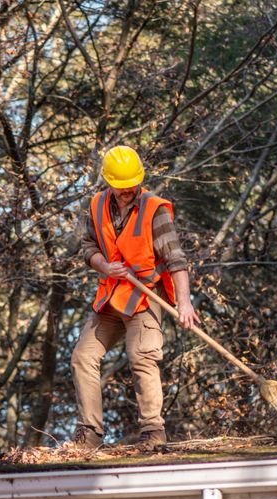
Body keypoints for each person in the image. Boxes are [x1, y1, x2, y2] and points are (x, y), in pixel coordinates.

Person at [70, 145, 200, 449]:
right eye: (121, 188)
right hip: (111, 296)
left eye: (132, 186)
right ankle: (89, 434)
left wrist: (184, 302)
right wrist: (104, 266)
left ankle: (153, 433)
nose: (127, 191)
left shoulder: (155, 210)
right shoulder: (97, 205)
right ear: (109, 183)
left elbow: (176, 259)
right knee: (82, 356)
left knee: (142, 355)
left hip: (145, 295)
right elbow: (88, 247)